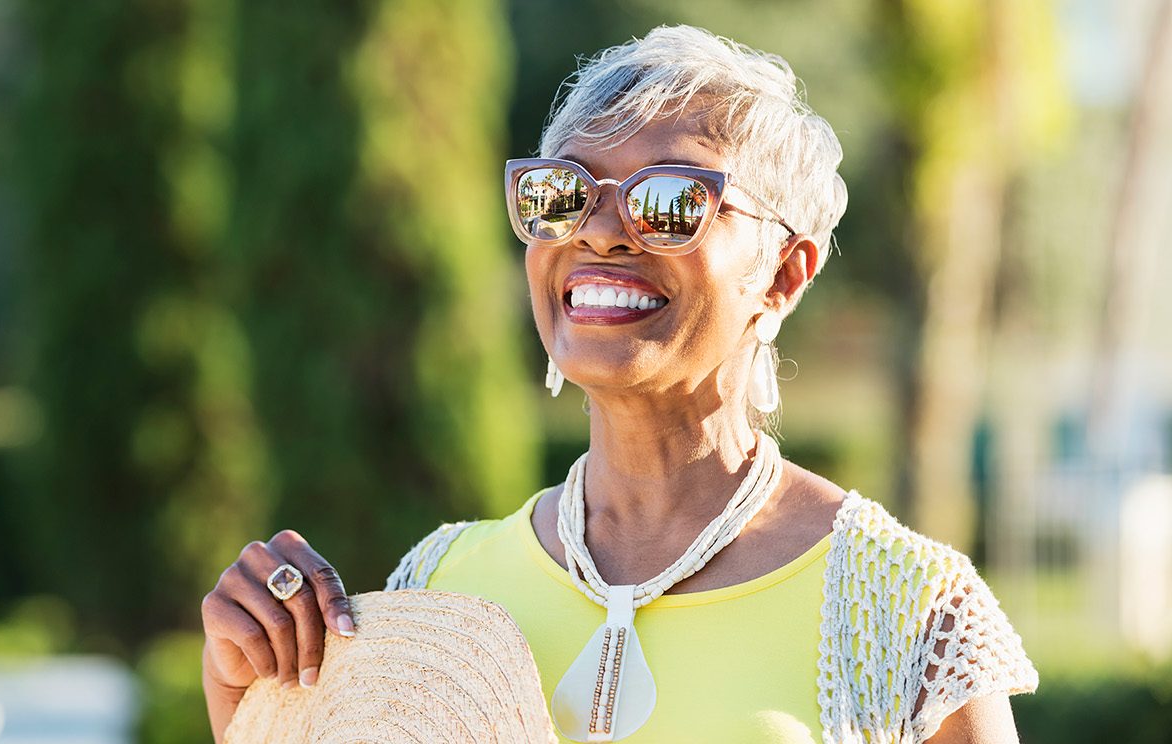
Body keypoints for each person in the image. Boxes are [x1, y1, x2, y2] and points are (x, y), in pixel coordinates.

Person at [201, 25, 1038, 743]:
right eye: (563, 194)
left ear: (783, 274)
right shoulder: (439, 588)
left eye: (670, 202)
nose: (600, 233)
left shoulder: (909, 609)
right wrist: (247, 686)